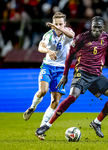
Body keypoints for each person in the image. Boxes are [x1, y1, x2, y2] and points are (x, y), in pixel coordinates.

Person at [23, 12, 75, 140]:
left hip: (61, 70)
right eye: (56, 24)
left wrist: (61, 29)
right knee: (43, 91)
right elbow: (41, 46)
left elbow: (72, 35)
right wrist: (49, 51)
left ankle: (40, 129)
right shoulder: (48, 35)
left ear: (64, 24)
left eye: (60, 24)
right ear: (52, 25)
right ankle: (32, 107)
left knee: (55, 101)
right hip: (48, 66)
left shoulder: (67, 33)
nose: (58, 27)